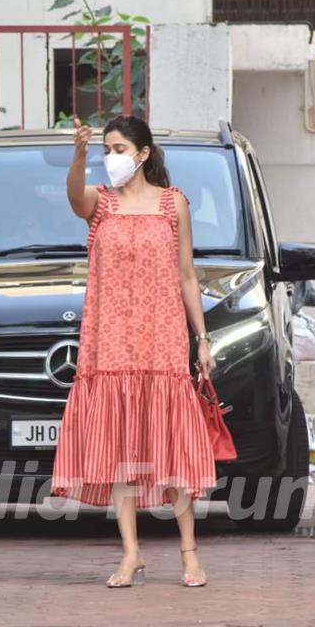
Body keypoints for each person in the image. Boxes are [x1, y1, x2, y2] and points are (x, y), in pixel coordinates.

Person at [52, 115, 216, 588]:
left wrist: (201, 339)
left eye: (119, 148)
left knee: (173, 449)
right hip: (110, 342)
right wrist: (80, 154)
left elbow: (188, 274)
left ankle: (189, 554)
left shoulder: (173, 204)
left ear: (142, 154)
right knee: (121, 446)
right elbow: (73, 197)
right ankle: (131, 554)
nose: (112, 157)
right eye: (107, 149)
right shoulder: (100, 204)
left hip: (162, 340)